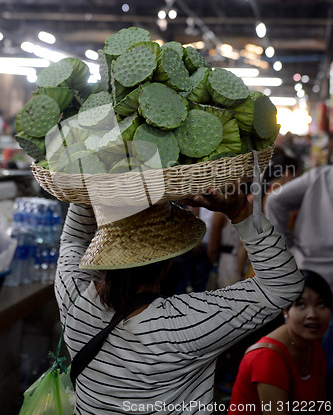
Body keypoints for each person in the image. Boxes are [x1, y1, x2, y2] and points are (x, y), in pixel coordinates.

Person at [55, 184, 304, 414]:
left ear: (102, 250)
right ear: (166, 264)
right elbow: (283, 284)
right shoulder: (183, 324)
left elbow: (73, 239)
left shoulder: (74, 300)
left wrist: (89, 181)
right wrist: (239, 210)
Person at [265, 164, 333, 402]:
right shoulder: (321, 175)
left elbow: (274, 201)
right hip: (312, 279)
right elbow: (274, 202)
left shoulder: (322, 175)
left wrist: (289, 252)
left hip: (307, 275)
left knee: (305, 345)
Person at [227, 269, 332, 414]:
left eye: (320, 304)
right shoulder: (267, 357)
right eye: (301, 304)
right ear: (285, 311)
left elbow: (321, 406)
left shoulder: (313, 346)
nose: (312, 314)